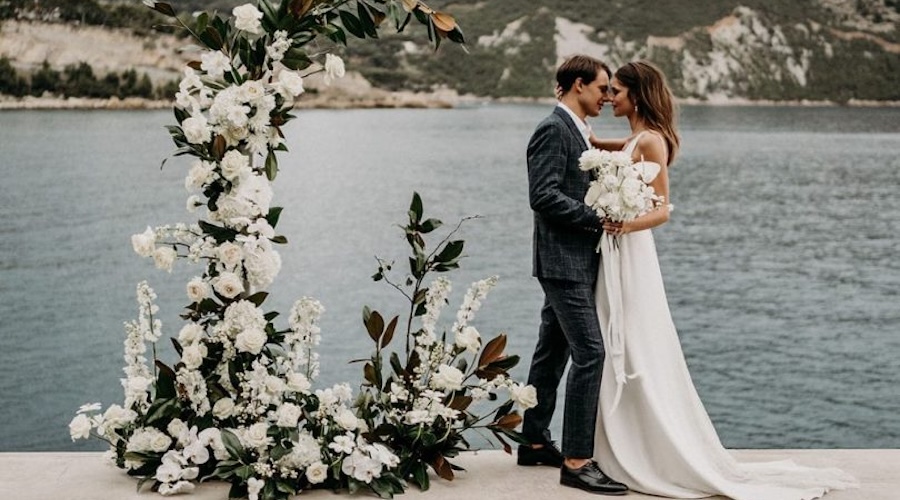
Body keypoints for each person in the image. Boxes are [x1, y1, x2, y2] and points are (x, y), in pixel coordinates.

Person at [588, 61, 859, 499]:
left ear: (635, 96)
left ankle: (648, 448)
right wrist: (587, 140)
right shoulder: (637, 138)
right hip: (619, 252)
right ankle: (620, 442)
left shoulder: (652, 141)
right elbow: (615, 148)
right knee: (619, 333)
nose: (610, 97)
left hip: (632, 250)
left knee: (636, 337)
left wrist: (622, 226)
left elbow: (662, 210)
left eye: (616, 91)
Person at [519, 54, 629, 496]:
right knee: (591, 354)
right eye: (602, 88)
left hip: (574, 260)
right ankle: (577, 461)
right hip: (564, 263)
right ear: (578, 85)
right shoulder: (552, 129)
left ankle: (532, 439)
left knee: (553, 351)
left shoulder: (578, 130)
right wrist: (597, 217)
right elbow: (542, 196)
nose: (606, 97)